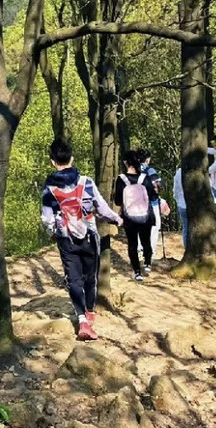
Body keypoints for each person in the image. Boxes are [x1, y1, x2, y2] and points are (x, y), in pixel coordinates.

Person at [41, 139, 123, 341]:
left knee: (73, 279)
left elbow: (47, 217)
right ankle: (89, 313)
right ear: (72, 158)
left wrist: (53, 230)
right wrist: (117, 219)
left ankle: (82, 320)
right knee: (90, 277)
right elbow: (102, 208)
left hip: (65, 238)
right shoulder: (86, 182)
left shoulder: (49, 187)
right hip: (88, 235)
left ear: (53, 162)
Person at [114, 151, 160, 281]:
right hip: (146, 215)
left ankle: (137, 272)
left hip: (129, 217)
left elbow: (118, 200)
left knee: (132, 244)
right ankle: (147, 263)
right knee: (146, 241)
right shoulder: (144, 178)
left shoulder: (121, 179)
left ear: (125, 163)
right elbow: (152, 196)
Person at [173, 165, 216, 251]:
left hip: (183, 206)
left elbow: (176, 191)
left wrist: (179, 201)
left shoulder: (179, 173)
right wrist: (214, 205)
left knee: (187, 230)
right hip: (199, 207)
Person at [137, 149, 163, 254]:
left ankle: (139, 246)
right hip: (152, 202)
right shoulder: (150, 170)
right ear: (147, 159)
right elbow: (159, 185)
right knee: (154, 225)